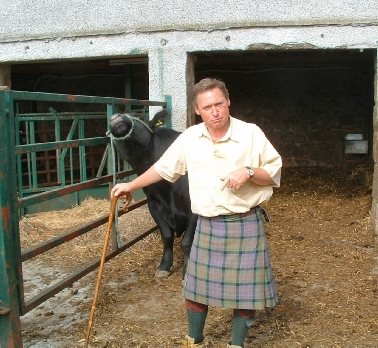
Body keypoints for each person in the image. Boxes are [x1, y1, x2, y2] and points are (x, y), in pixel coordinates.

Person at [111, 78, 282, 348]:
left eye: (219, 104)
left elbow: (272, 173)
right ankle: (195, 340)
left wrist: (248, 172)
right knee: (194, 291)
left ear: (228, 102)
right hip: (207, 225)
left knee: (247, 296)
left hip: (244, 223)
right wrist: (130, 185)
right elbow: (164, 168)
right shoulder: (189, 138)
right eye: (207, 107)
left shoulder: (251, 134)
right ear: (197, 110)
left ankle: (236, 344)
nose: (215, 111)